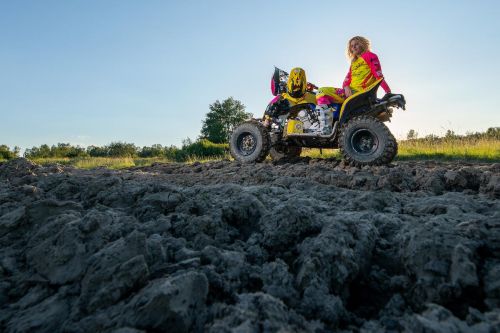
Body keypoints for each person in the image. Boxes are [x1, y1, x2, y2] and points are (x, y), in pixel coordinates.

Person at [316, 36, 391, 105]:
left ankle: (324, 119)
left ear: (362, 44)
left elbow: (378, 75)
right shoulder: (354, 62)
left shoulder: (369, 55)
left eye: (356, 44)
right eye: (352, 46)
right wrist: (346, 87)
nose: (354, 47)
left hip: (360, 93)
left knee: (321, 91)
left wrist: (388, 91)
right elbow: (347, 79)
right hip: (350, 92)